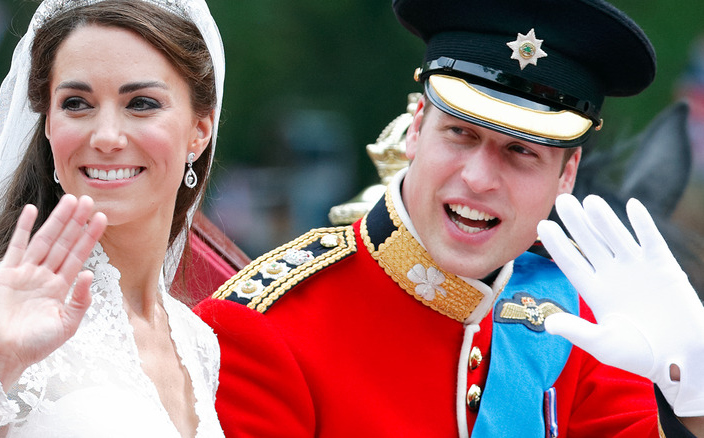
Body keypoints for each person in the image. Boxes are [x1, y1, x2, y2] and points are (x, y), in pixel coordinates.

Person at [194, 0, 704, 436]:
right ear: (416, 128)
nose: (480, 178)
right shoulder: (264, 326)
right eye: (460, 134)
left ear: (567, 173)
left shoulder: (583, 324)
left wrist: (696, 395)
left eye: (521, 152)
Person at [0, 0, 226, 436]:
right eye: (77, 104)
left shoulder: (198, 344)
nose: (105, 137)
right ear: (47, 125)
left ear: (199, 131)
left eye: (141, 103)